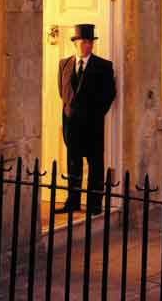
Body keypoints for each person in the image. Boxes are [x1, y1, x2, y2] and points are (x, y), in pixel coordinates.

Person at [56, 23, 116, 214]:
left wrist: (95, 115)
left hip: (93, 125)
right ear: (75, 43)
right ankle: (72, 202)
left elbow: (109, 94)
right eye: (83, 42)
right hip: (71, 124)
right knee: (73, 163)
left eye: (90, 42)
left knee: (95, 164)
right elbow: (62, 91)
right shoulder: (64, 64)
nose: (87, 45)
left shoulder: (104, 66)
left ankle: (94, 205)